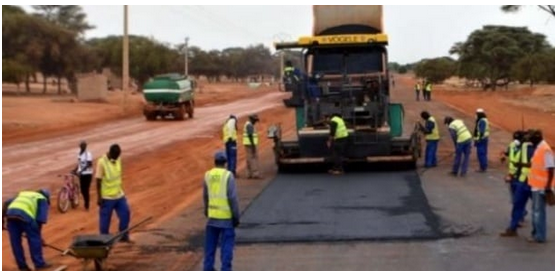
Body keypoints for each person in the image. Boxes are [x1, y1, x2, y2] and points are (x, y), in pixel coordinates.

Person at [203, 151, 240, 271]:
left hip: (212, 218)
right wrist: (236, 216)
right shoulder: (228, 176)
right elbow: (232, 198)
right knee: (227, 247)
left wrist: (207, 211)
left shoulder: (208, 175)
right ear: (225, 162)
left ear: (215, 162)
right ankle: (225, 268)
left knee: (210, 247)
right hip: (226, 219)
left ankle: (208, 268)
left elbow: (206, 196)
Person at [2, 189, 52, 271]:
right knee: (34, 241)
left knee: (15, 243)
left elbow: (6, 204)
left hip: (11, 217)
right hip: (25, 217)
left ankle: (22, 266)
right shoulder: (42, 199)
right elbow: (40, 219)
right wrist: (38, 237)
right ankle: (39, 264)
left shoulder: (22, 194)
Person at [500, 130, 534, 237]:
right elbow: (510, 155)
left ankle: (537, 233)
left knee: (536, 208)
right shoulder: (520, 147)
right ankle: (514, 226)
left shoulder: (532, 149)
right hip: (520, 179)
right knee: (517, 203)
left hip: (530, 181)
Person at [96, 144, 131, 243]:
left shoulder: (118, 159)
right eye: (116, 156)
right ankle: (104, 241)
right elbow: (98, 181)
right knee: (105, 221)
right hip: (107, 197)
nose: (117, 157)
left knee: (126, 214)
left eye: (118, 155)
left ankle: (124, 235)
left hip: (119, 195)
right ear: (111, 153)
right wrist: (99, 197)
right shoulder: (101, 162)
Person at [526, 130, 554, 243]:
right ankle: (536, 233)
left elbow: (551, 169)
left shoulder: (545, 150)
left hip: (541, 187)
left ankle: (540, 236)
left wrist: (547, 187)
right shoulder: (539, 147)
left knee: (538, 212)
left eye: (531, 139)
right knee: (535, 211)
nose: (530, 141)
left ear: (537, 138)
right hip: (535, 185)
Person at [500, 130, 524, 201]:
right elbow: (508, 153)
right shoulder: (513, 145)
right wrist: (503, 155)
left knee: (518, 194)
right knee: (514, 193)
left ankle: (519, 208)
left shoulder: (524, 148)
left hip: (520, 174)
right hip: (512, 174)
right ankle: (518, 207)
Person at [73, 140, 93, 211]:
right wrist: (75, 170)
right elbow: (79, 164)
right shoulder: (79, 154)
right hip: (82, 174)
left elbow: (89, 164)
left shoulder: (88, 154)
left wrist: (81, 171)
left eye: (84, 145)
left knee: (86, 189)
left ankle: (87, 204)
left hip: (88, 174)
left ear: (85, 146)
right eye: (81, 145)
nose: (83, 147)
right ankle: (86, 201)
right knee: (82, 190)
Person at [243, 114, 261, 179]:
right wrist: (253, 145)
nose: (255, 122)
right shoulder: (249, 125)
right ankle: (255, 174)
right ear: (252, 119)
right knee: (253, 159)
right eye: (255, 120)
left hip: (248, 143)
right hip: (250, 144)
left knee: (249, 159)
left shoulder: (248, 124)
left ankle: (249, 174)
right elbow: (250, 136)